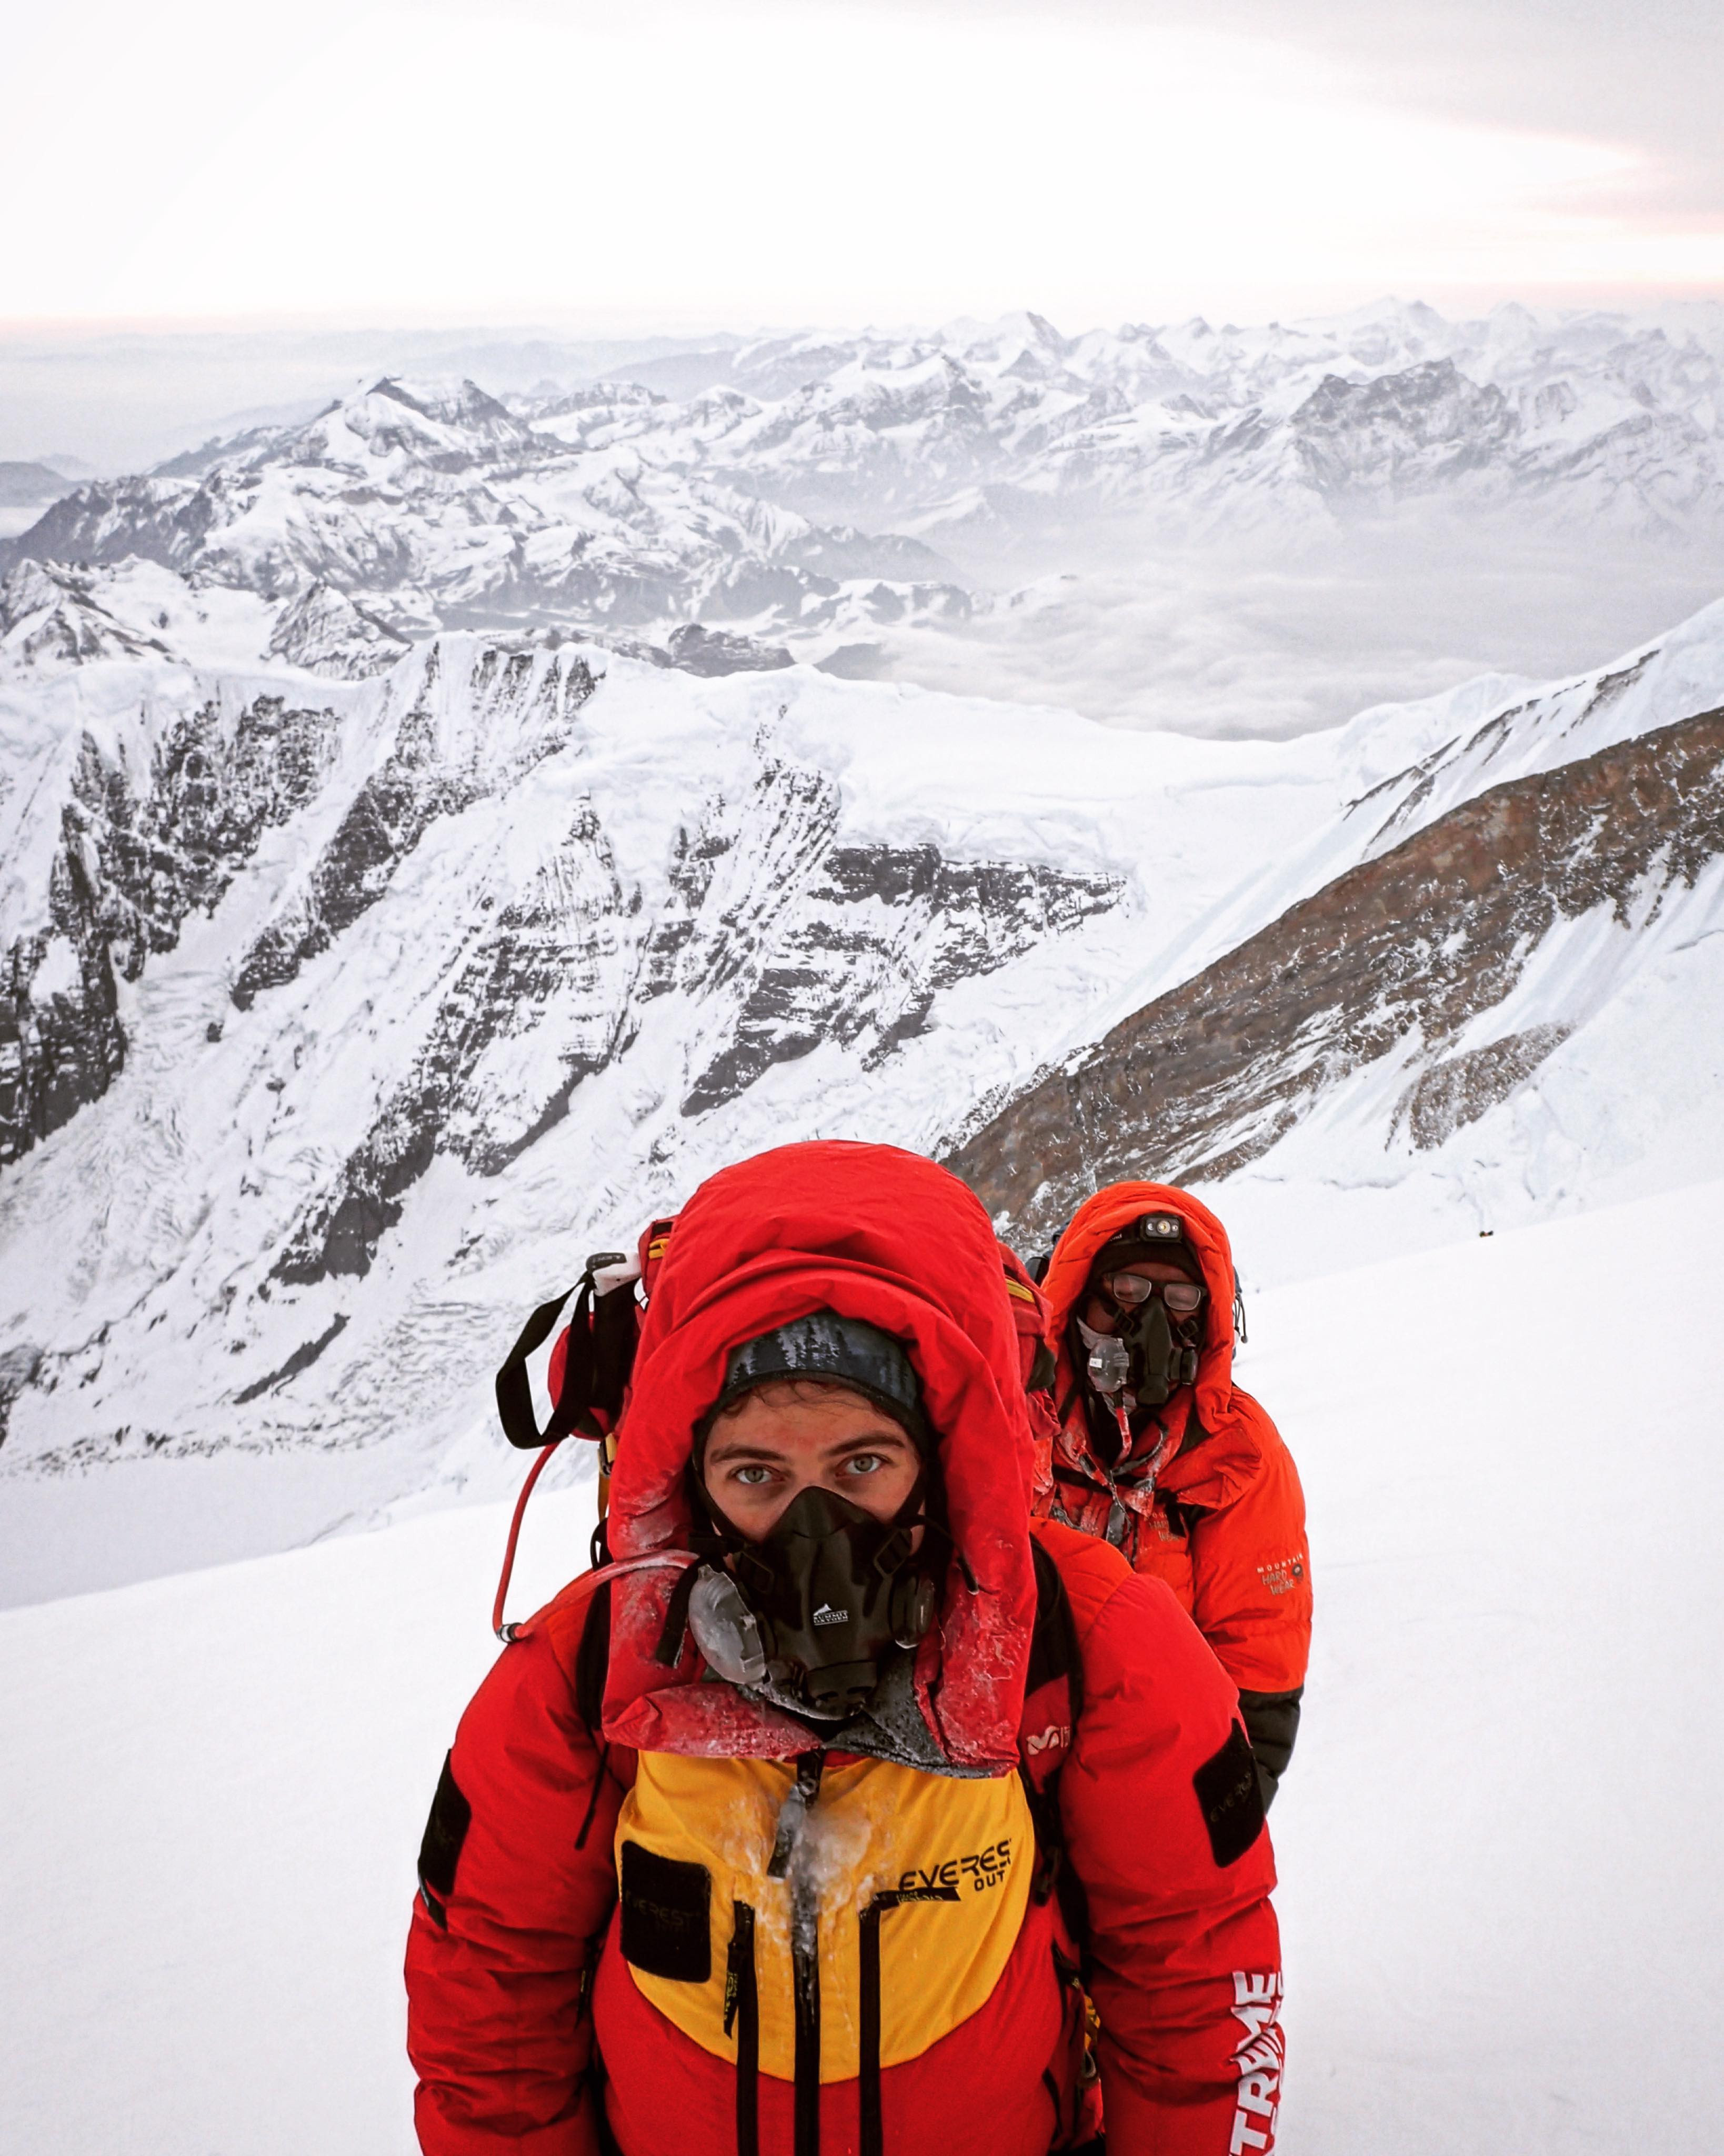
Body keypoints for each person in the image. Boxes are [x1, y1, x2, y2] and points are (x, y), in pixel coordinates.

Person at [405, 1141, 1285, 2156]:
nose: (809, 1524)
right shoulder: (594, 1667)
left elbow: (1198, 1992)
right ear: (691, 1475)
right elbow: (487, 2015)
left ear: (945, 1457)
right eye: (755, 1474)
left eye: (862, 1462)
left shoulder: (1087, 1642)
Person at [1030, 1183, 1310, 1808]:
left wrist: (1210, 1825)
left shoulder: (1235, 1456)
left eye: (1182, 1299)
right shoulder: (1010, 1424)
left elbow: (1258, 1665)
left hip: (1151, 1788)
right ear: (1076, 1297)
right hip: (1004, 1786)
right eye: (1126, 1290)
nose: (1152, 1323)